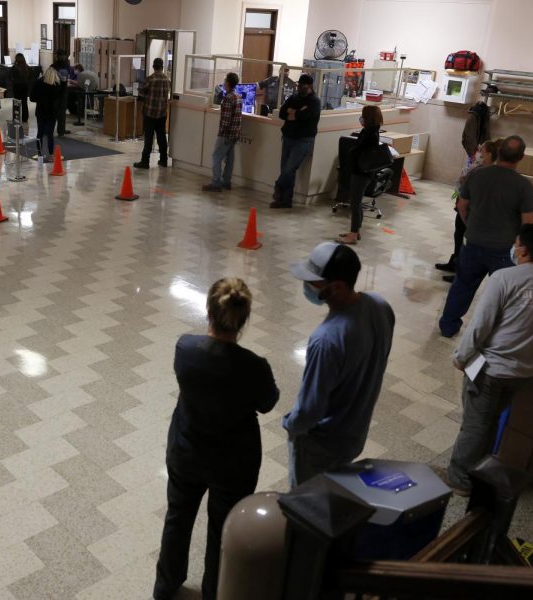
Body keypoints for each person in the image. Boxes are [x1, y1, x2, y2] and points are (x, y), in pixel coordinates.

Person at [153, 277, 279, 600]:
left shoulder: (186, 349)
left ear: (208, 311)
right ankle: (214, 592)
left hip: (186, 451)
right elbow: (268, 402)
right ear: (243, 321)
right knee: (222, 531)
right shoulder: (254, 367)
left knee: (178, 519)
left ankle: (166, 586)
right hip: (233, 462)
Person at [446, 224, 533, 495]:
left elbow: (480, 326)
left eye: (515, 244)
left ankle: (459, 480)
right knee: (490, 423)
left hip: (491, 369)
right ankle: (479, 473)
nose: (513, 249)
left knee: (475, 425)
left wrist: (461, 357)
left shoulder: (505, 278)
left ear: (523, 249)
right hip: (525, 372)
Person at [284, 242, 395, 487]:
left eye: (313, 282)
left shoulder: (326, 340)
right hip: (354, 434)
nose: (307, 286)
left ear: (336, 287)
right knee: (335, 494)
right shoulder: (380, 306)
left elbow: (309, 410)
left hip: (321, 446)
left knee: (306, 505)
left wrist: (290, 425)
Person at [438, 135, 533, 338]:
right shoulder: (523, 185)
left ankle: (448, 326)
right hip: (503, 250)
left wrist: (470, 225)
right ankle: (497, 333)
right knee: (503, 294)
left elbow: (462, 205)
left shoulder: (477, 175)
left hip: (473, 242)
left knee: (462, 285)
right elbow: (529, 222)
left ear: (498, 153)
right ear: (521, 157)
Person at [435, 139, 501, 282]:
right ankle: (454, 262)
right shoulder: (478, 168)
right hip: (464, 207)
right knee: (458, 234)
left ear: (489, 154)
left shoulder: (486, 172)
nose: (478, 153)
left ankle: (460, 269)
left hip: (471, 210)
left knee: (465, 239)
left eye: (481, 151)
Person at [270, 74, 321, 209]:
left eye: (301, 85)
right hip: (288, 137)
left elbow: (308, 117)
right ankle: (285, 200)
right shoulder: (294, 98)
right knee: (287, 170)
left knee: (289, 169)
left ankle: (278, 186)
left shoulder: (314, 102)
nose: (298, 87)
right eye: (298, 84)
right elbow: (282, 113)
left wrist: (294, 113)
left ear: (309, 86)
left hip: (303, 140)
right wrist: (297, 113)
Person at [338, 105, 384, 245]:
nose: (361, 118)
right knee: (356, 202)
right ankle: (355, 231)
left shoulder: (370, 134)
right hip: (360, 170)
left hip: (362, 172)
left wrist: (352, 151)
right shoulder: (369, 131)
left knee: (355, 203)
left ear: (368, 118)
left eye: (363, 116)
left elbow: (360, 150)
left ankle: (352, 235)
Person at [201, 72, 242, 193]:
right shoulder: (238, 97)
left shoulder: (228, 99)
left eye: (225, 81)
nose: (223, 83)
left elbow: (226, 120)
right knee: (229, 158)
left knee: (216, 156)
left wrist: (222, 133)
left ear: (228, 83)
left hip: (226, 134)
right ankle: (226, 181)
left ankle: (216, 182)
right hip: (235, 134)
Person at [134, 57, 171, 170]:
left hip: (149, 113)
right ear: (162, 66)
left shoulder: (150, 79)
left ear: (154, 66)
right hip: (162, 113)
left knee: (148, 138)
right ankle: (164, 160)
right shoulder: (167, 79)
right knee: (161, 138)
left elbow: (141, 91)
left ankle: (145, 162)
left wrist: (146, 96)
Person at [30, 66, 61, 162]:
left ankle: (39, 154)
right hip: (52, 113)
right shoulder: (56, 85)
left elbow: (32, 98)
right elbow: (59, 100)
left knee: (39, 133)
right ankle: (51, 155)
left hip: (40, 111)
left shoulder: (38, 83)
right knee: (50, 134)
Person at [462, 100, 490, 168]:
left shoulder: (478, 116)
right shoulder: (473, 118)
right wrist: (472, 154)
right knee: (470, 171)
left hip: (476, 150)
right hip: (473, 151)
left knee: (471, 171)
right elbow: (469, 137)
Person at [52, 50, 72, 136]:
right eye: (60, 55)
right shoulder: (55, 66)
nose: (62, 57)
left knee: (60, 112)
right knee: (56, 112)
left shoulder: (63, 65)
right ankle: (60, 130)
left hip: (62, 91)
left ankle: (61, 130)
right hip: (57, 91)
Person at [10, 53, 32, 125]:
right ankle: (25, 119)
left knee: (17, 103)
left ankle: (16, 118)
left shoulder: (14, 68)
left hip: (17, 87)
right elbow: (30, 78)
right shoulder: (27, 67)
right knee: (25, 103)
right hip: (25, 87)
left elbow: (11, 78)